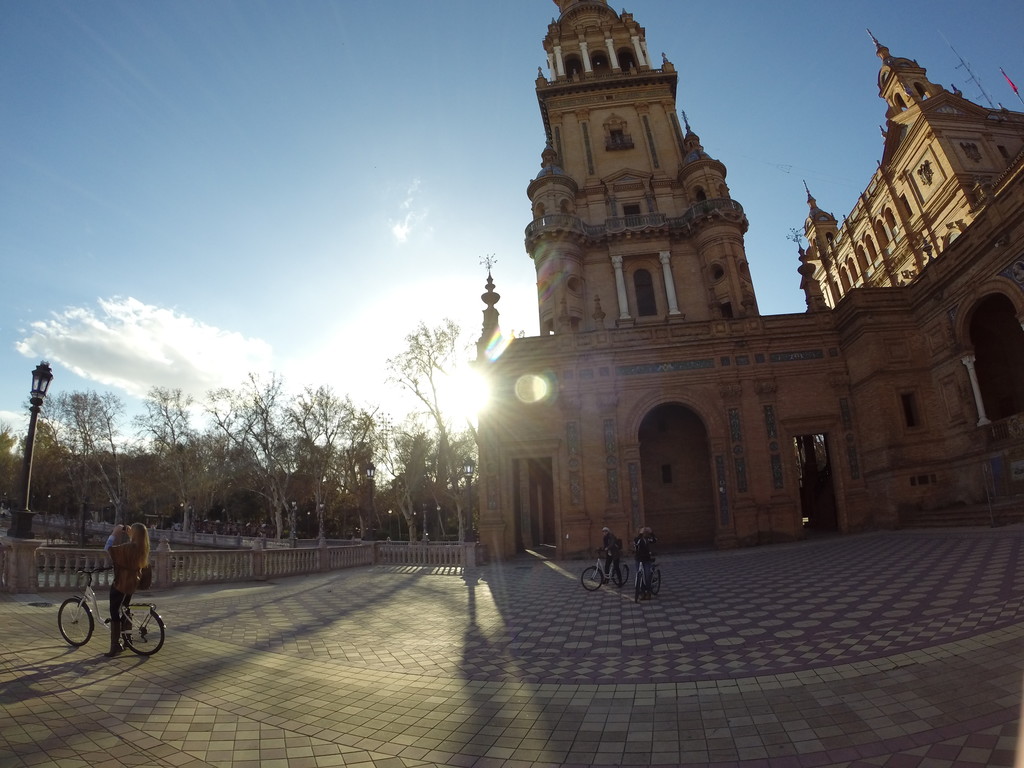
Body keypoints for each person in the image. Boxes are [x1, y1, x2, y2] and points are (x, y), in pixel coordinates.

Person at [102, 523, 151, 657]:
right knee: (125, 608)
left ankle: (115, 645)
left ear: (134, 534)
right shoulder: (143, 547)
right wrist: (131, 535)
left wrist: (114, 533)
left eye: (132, 531)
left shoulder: (129, 547)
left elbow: (108, 549)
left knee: (114, 611)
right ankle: (127, 639)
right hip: (132, 583)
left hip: (121, 583)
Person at [633, 526, 656, 599]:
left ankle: (648, 592)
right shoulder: (637, 539)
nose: (644, 532)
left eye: (644, 531)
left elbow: (655, 540)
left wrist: (651, 532)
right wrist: (640, 533)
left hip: (646, 560)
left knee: (647, 576)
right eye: (642, 531)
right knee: (640, 575)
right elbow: (636, 542)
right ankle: (642, 592)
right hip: (638, 560)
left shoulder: (647, 539)